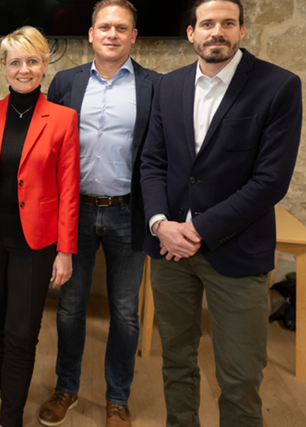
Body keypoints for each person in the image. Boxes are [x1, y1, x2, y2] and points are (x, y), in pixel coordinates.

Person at [139, 0, 302, 426]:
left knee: (240, 376)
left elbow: (270, 182)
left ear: (242, 31)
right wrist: (160, 224)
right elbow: (152, 163)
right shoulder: (168, 86)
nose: (218, 31)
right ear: (191, 32)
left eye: (228, 23)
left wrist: (196, 230)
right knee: (175, 361)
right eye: (207, 23)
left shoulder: (278, 86)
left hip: (236, 252)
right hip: (170, 252)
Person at [41, 1, 161, 426]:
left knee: (126, 311)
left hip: (129, 214)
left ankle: (117, 397)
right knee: (70, 306)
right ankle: (66, 388)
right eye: (104, 27)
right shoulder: (64, 82)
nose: (112, 34)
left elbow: (159, 156)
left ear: (133, 36)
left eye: (121, 28)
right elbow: (48, 149)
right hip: (75, 213)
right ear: (90, 34)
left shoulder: (155, 86)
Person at [0, 26, 80, 427]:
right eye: (15, 62)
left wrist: (65, 249)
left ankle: (9, 417)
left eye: (32, 61)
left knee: (21, 334)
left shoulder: (63, 119)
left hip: (37, 242)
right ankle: (8, 403)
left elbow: (68, 190)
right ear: (3, 67)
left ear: (44, 65)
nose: (23, 69)